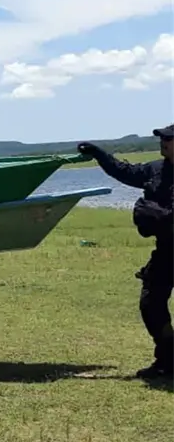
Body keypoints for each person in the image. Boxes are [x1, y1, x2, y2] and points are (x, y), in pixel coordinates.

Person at [78, 123, 174, 379]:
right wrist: (99, 154)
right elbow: (125, 171)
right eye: (162, 138)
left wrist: (158, 215)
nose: (163, 142)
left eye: (169, 139)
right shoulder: (156, 170)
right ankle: (168, 357)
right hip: (167, 251)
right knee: (151, 304)